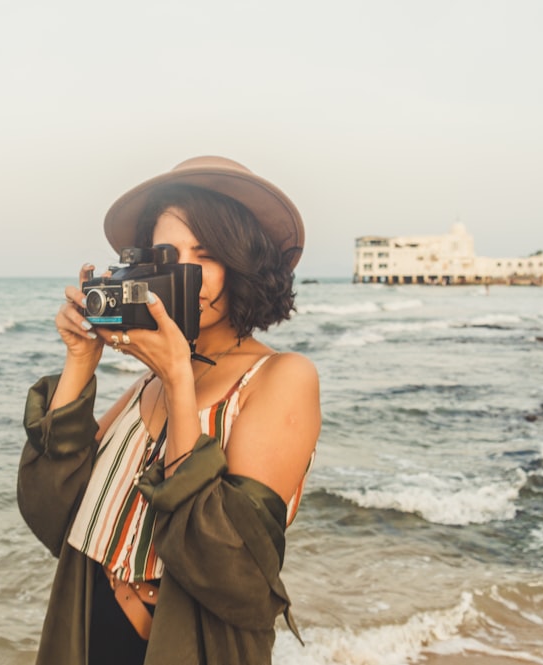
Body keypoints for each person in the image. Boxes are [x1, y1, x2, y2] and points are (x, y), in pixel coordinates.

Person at [17, 156, 322, 665]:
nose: (184, 272)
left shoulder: (280, 378)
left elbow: (236, 569)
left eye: (204, 254)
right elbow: (51, 510)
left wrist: (179, 380)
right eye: (167, 254)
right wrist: (79, 362)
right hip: (85, 633)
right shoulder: (145, 386)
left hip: (185, 647)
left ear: (242, 264)